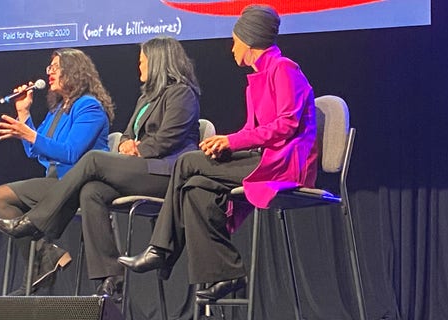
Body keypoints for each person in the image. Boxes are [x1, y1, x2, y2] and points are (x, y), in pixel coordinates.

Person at [117, 4, 319, 301]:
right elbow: (254, 130)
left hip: (284, 164)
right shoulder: (257, 79)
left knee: (187, 162)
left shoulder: (284, 69)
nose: (232, 45)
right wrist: (225, 141)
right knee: (196, 190)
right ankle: (227, 274)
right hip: (264, 157)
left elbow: (286, 125)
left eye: (235, 39)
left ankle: (160, 249)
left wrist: (232, 143)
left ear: (249, 41)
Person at [0, 36, 201, 299]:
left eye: (143, 62)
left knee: (92, 159)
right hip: (141, 168)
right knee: (91, 191)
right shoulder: (147, 98)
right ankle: (110, 280)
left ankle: (36, 222)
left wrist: (140, 149)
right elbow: (127, 132)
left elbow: (170, 137)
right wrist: (126, 143)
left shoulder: (181, 93)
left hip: (165, 173)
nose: (139, 68)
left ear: (159, 61)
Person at [0, 48, 115, 295]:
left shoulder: (89, 107)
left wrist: (29, 135)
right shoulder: (58, 110)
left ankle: (44, 261)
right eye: (49, 68)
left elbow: (71, 152)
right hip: (54, 181)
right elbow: (36, 151)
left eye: (55, 67)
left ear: (74, 71)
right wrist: (24, 113)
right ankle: (46, 256)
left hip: (76, 183)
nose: (49, 73)